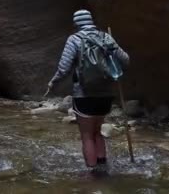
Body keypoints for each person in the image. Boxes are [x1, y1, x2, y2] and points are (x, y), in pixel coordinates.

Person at [45, 9, 129, 172]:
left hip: (84, 94)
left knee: (87, 135)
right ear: (91, 21)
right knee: (97, 131)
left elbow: (63, 68)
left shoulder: (74, 39)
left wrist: (53, 82)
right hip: (106, 93)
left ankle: (92, 173)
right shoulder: (106, 37)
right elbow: (125, 59)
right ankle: (103, 167)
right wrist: (114, 66)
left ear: (77, 23)